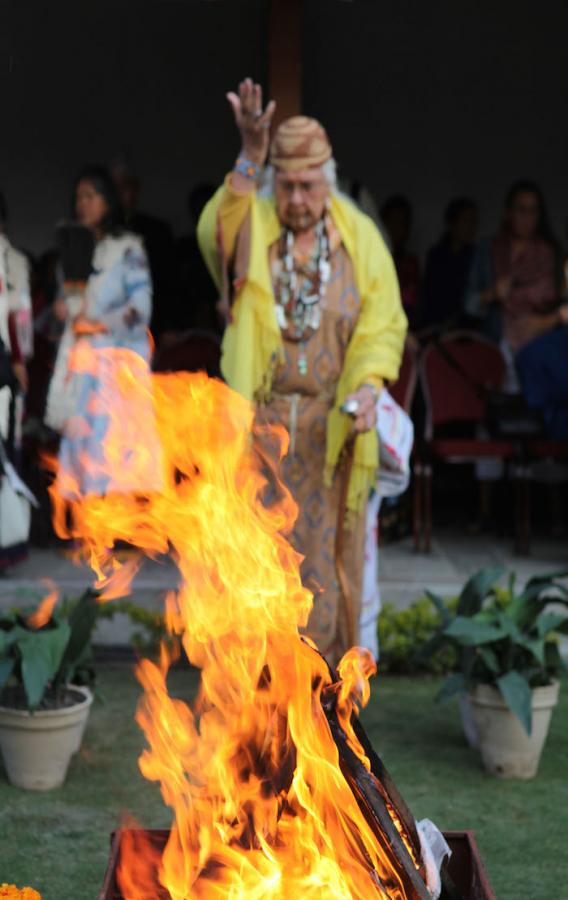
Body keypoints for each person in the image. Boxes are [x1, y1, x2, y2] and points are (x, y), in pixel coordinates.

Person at [198, 79, 407, 664]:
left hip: (328, 436)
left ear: (327, 182)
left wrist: (367, 389)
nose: (295, 198)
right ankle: (257, 698)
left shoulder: (360, 239)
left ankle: (325, 697)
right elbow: (215, 235)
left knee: (323, 573)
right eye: (285, 184)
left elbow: (382, 326)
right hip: (259, 432)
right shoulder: (256, 225)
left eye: (307, 185)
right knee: (255, 568)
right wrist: (250, 154)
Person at [44, 165, 153, 493]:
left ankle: (113, 518)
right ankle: (85, 521)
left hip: (116, 364)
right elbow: (65, 306)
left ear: (108, 201)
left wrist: (98, 324)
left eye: (90, 196)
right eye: (78, 197)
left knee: (113, 448)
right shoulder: (72, 251)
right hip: (80, 363)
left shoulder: (128, 248)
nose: (82, 204)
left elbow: (140, 309)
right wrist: (61, 309)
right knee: (81, 450)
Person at [464, 180, 560, 372]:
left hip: (540, 346)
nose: (527, 218)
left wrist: (546, 322)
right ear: (508, 213)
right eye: (521, 210)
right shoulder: (489, 250)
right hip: (495, 345)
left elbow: (562, 306)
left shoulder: (551, 255)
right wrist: (492, 294)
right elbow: (468, 304)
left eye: (533, 211)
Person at [0, 191, 34, 568]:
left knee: (4, 456)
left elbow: (19, 317)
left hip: (3, 365)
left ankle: (6, 547)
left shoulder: (11, 261)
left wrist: (20, 361)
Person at [111, 160, 176, 343]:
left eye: (125, 188)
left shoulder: (157, 231)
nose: (119, 195)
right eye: (114, 189)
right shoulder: (98, 235)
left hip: (152, 323)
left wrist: (170, 325)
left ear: (136, 191)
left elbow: (168, 281)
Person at [420, 198, 477, 331]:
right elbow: (429, 296)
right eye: (466, 221)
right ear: (452, 223)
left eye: (473, 221)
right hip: (434, 328)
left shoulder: (475, 258)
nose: (470, 227)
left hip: (465, 330)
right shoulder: (436, 256)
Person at [175, 183, 220, 334]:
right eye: (198, 209)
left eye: (207, 209)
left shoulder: (229, 249)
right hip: (186, 321)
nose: (203, 215)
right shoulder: (183, 247)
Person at [380, 195, 420, 324]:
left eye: (402, 223)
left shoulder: (410, 263)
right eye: (393, 221)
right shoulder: (372, 260)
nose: (396, 227)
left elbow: (411, 300)